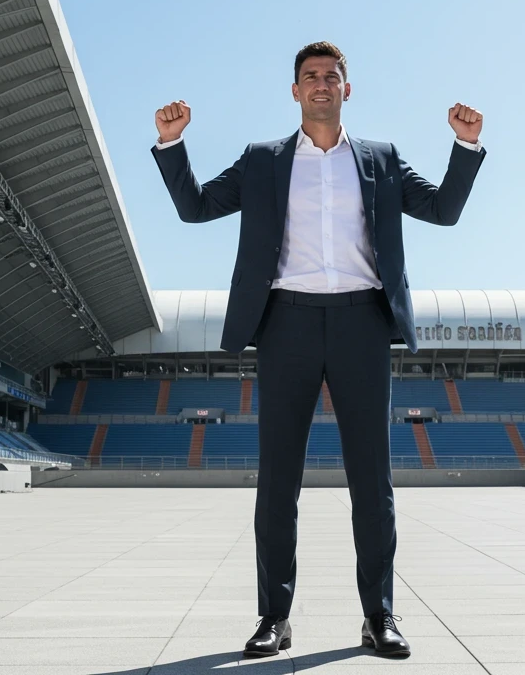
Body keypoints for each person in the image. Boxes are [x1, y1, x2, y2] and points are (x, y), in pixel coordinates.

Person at [152, 41, 485, 658]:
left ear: (347, 89)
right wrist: (172, 145)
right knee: (278, 481)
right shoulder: (262, 160)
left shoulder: (381, 160)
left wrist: (464, 148)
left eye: (332, 76)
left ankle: (379, 615)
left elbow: (442, 210)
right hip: (286, 325)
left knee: (373, 481)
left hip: (363, 323)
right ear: (296, 91)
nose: (322, 84)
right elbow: (196, 209)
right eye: (310, 76)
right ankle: (273, 618)